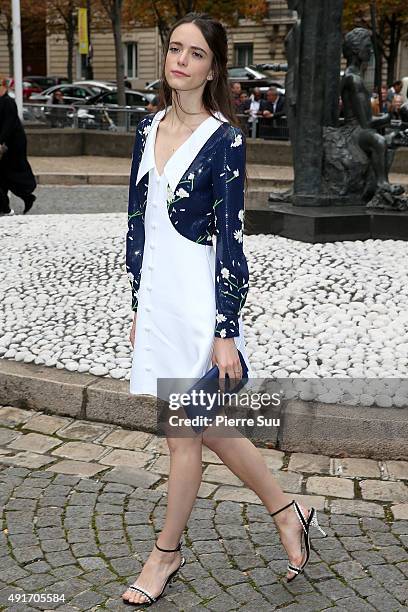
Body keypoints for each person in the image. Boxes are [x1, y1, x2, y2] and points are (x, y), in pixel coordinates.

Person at [122, 11, 325, 608]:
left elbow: (232, 238)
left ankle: (165, 554)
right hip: (160, 299)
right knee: (205, 427)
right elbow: (137, 222)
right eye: (174, 49)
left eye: (195, 54)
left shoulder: (224, 140)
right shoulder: (146, 127)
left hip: (199, 303)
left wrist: (225, 330)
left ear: (213, 69)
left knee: (183, 434)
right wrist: (138, 302)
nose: (180, 60)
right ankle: (290, 511)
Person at [0, 76, 36, 216]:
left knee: (9, 174)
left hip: (13, 144)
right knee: (4, 176)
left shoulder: (8, 102)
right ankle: (8, 204)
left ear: (4, 87)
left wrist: (0, 141)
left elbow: (8, 125)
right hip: (5, 143)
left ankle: (23, 197)